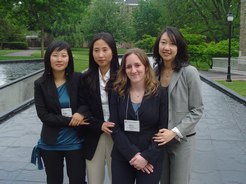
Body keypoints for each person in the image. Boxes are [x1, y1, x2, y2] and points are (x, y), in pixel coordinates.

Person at [31, 40, 88, 184]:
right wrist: (70, 120)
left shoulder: (78, 78)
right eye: (55, 55)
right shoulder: (40, 84)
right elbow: (43, 115)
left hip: (75, 142)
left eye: (63, 55)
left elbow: (86, 102)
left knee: (78, 180)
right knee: (54, 180)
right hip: (50, 143)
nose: (59, 59)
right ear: (48, 57)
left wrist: (81, 113)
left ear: (69, 58)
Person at [152, 26, 204, 184]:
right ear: (158, 45)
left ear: (178, 47)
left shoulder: (189, 72)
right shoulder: (154, 72)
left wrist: (174, 132)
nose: (167, 48)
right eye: (163, 42)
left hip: (182, 140)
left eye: (172, 44)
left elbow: (197, 110)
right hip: (159, 139)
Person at [110, 48, 168, 184]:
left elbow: (162, 129)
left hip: (150, 158)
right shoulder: (117, 92)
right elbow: (114, 128)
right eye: (128, 66)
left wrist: (146, 157)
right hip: (123, 156)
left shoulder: (160, 93)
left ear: (146, 67)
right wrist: (133, 155)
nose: (133, 70)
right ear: (124, 70)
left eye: (137, 65)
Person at [79, 32, 119, 184]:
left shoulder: (123, 76)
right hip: (93, 135)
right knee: (94, 180)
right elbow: (82, 107)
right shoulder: (85, 78)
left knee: (118, 178)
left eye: (105, 49)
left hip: (118, 136)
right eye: (96, 50)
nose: (100, 55)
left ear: (112, 51)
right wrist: (99, 125)